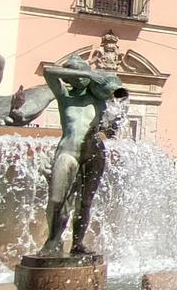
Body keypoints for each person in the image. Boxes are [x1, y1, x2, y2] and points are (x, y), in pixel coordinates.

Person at [39, 56, 127, 256]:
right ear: (70, 78)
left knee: (85, 201)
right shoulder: (64, 96)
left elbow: (119, 90)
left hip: (94, 152)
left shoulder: (99, 98)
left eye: (83, 73)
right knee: (56, 199)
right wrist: (85, 73)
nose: (80, 80)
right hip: (68, 151)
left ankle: (77, 243)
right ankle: (53, 240)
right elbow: (48, 71)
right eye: (74, 75)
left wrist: (95, 77)